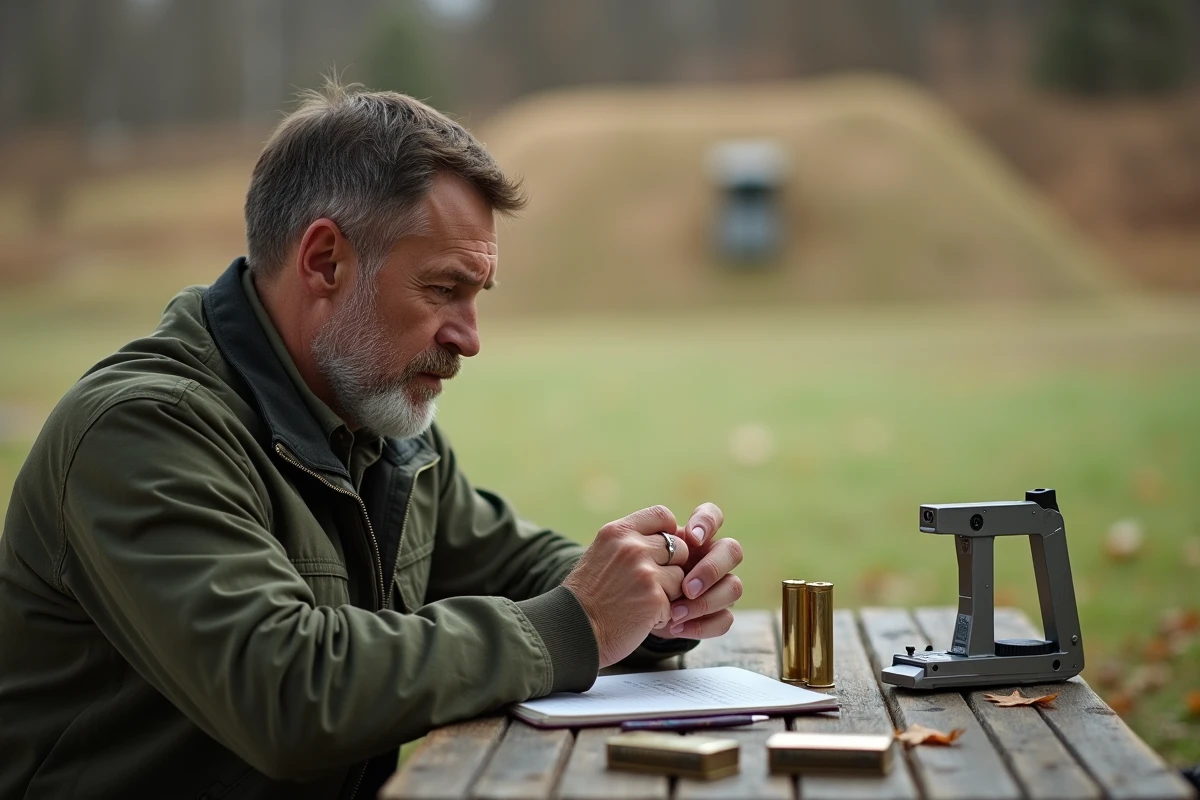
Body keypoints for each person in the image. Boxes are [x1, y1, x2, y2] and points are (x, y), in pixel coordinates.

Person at [0, 80, 744, 799]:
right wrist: (580, 621)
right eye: (443, 289)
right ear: (325, 261)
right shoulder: (141, 432)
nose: (471, 339)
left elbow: (515, 567)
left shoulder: (378, 421)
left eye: (477, 296)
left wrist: (655, 593)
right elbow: (288, 692)